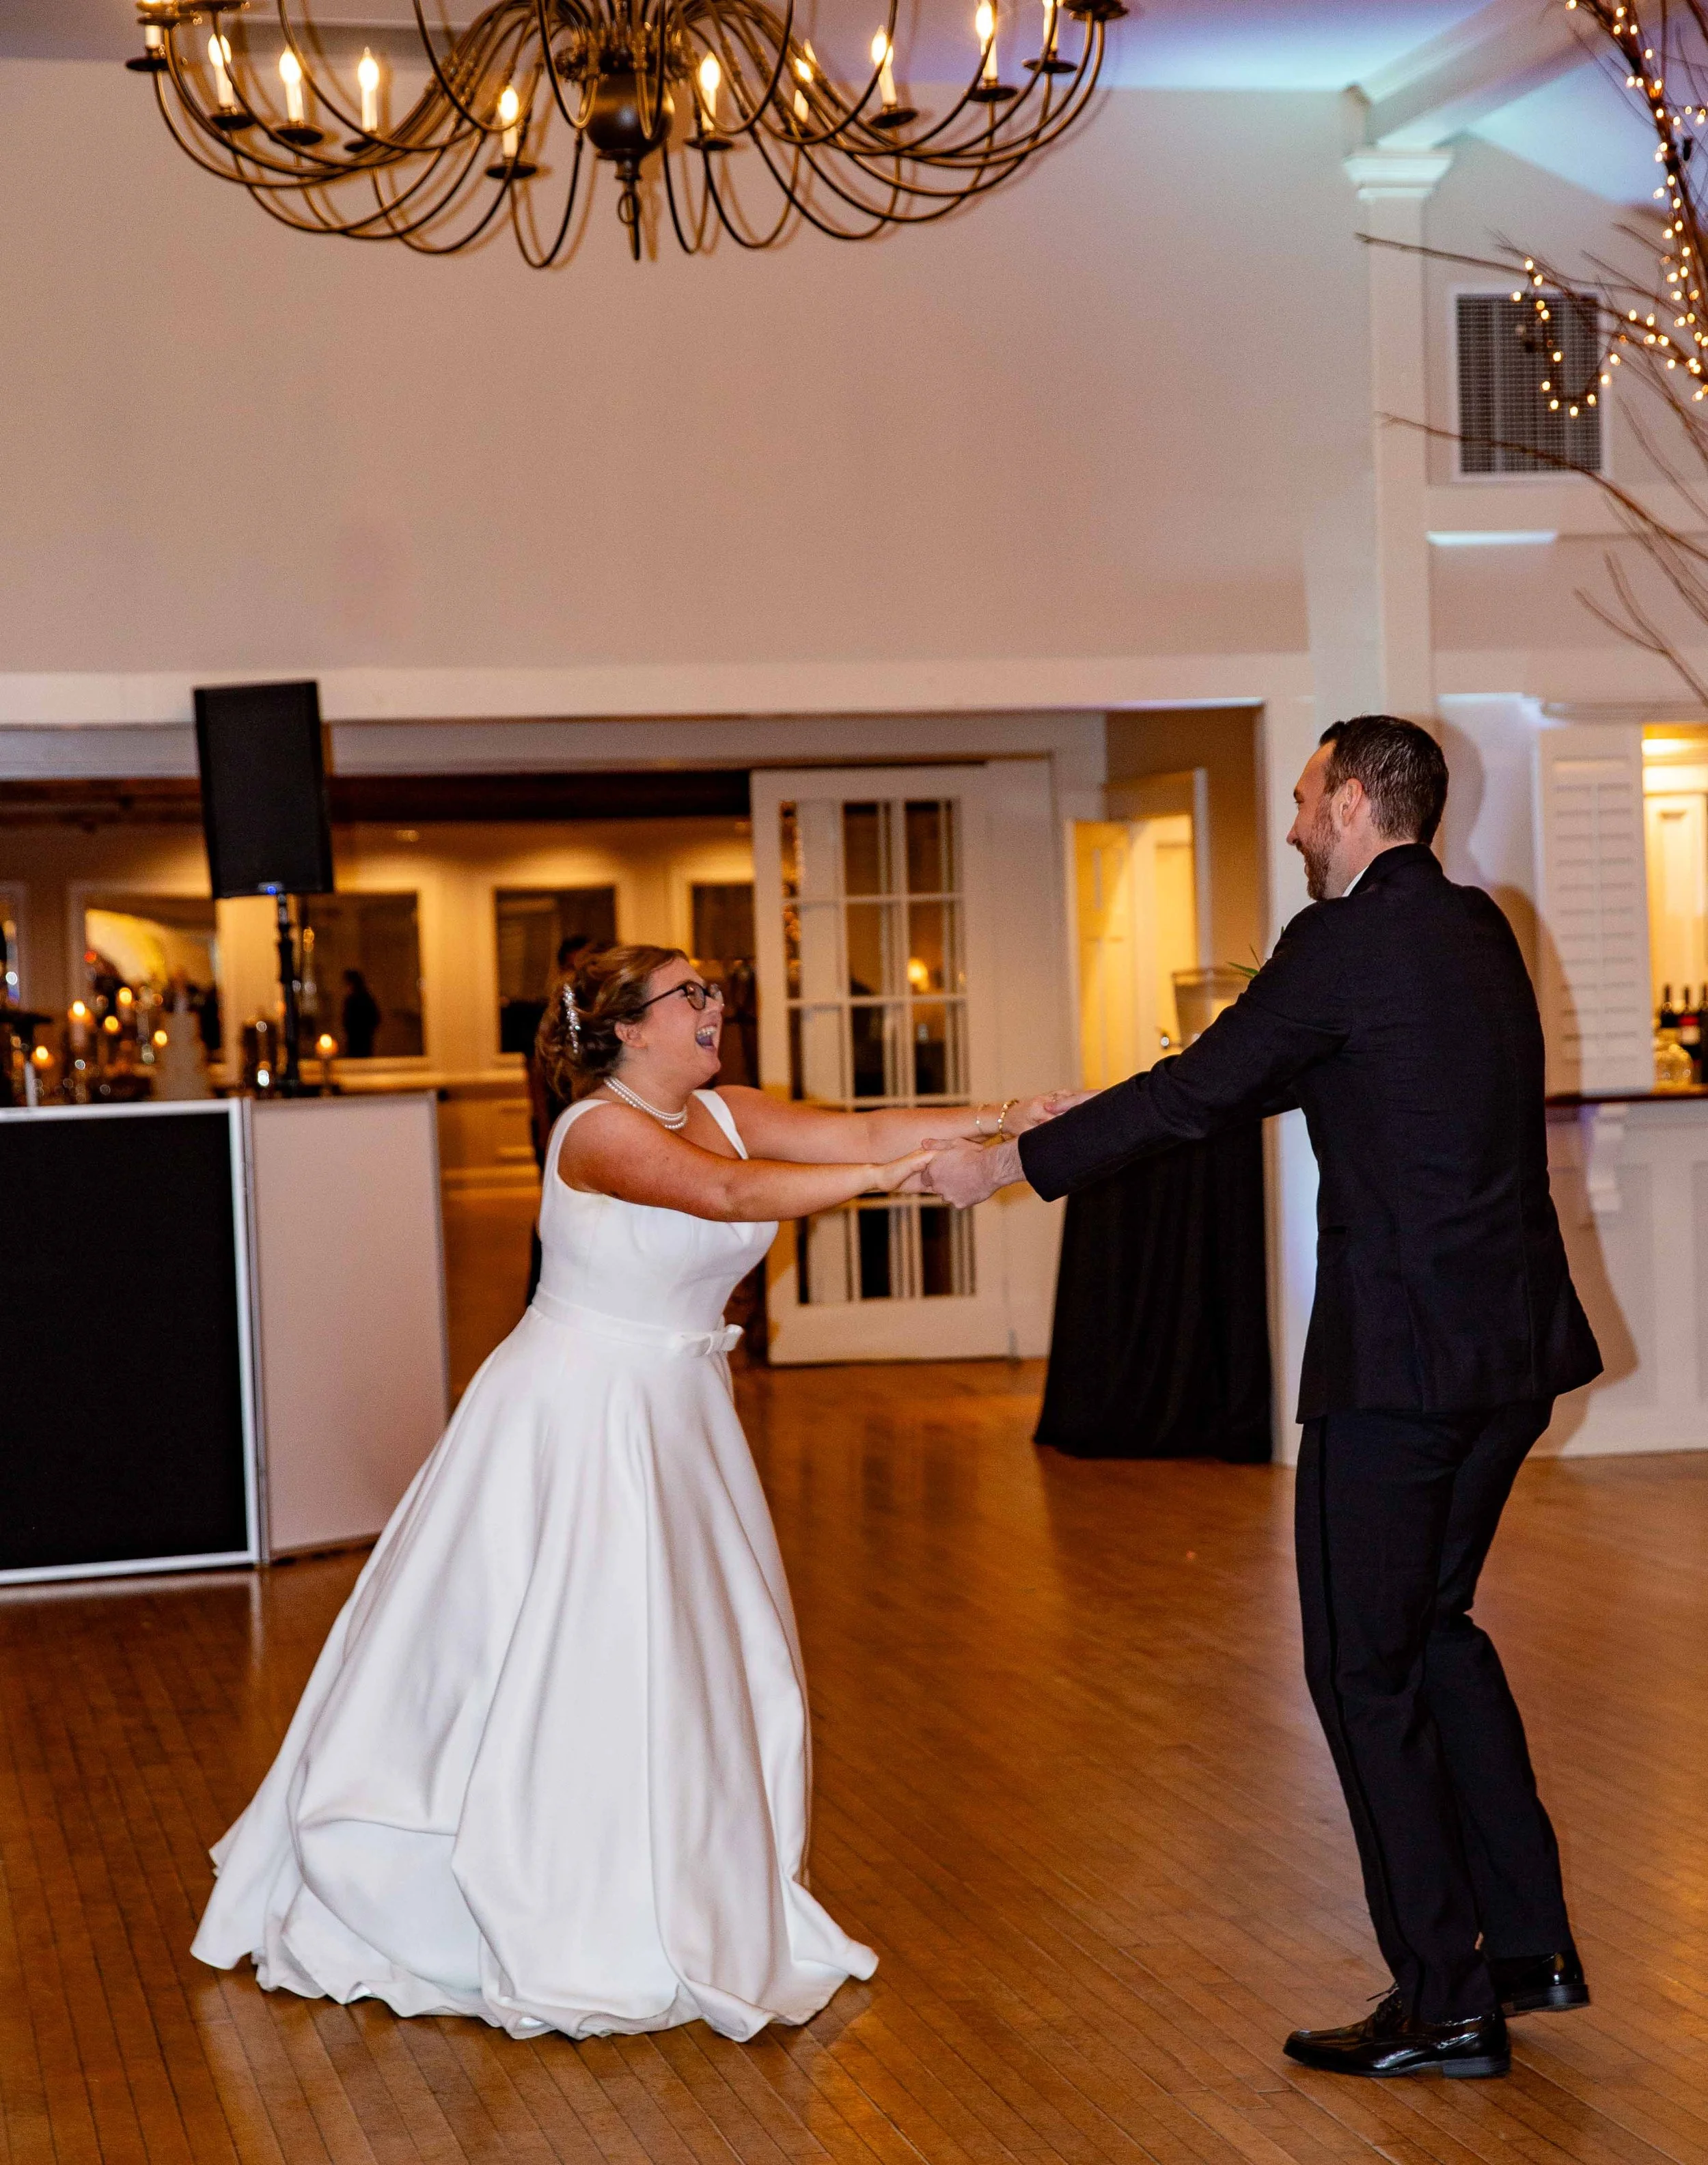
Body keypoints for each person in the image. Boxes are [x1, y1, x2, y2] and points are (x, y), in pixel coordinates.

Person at [192, 942, 1062, 2041]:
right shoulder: (597, 1133)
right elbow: (732, 1196)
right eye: (690, 995)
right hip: (577, 1417)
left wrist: (1004, 1116)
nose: (715, 1006)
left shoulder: (729, 1106)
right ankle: (545, 1901)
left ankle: (676, 1890)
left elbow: (865, 1128)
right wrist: (911, 1181)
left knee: (693, 1662)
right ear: (627, 1029)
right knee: (579, 1653)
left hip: (678, 1416)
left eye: (714, 990)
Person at [922, 715, 1602, 2080]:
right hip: (1509, 1358)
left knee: (1359, 1666)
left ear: (1351, 801)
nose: (1292, 827)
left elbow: (1198, 1095)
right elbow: (1321, 1079)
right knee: (1433, 1630)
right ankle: (1518, 1945)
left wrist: (1000, 1168)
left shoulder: (1340, 945)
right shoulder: (1476, 928)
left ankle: (1445, 2001)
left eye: (1301, 802)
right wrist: (1079, 1112)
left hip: (1400, 1372)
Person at [341, 968, 381, 1059]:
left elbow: (375, 1018)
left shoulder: (355, 1000)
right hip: (361, 1039)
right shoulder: (366, 998)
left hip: (359, 1039)